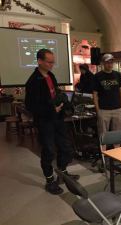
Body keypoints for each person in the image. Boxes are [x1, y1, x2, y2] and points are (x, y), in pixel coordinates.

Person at [25, 48, 79, 195]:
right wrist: (51, 110)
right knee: (48, 151)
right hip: (45, 121)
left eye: (53, 62)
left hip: (58, 119)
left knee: (65, 147)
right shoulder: (32, 82)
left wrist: (64, 104)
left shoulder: (51, 76)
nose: (51, 65)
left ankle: (62, 173)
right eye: (49, 62)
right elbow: (30, 106)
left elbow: (55, 93)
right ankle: (50, 181)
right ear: (39, 61)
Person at [93, 53, 121, 151]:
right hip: (103, 110)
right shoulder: (97, 76)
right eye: (107, 62)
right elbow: (95, 94)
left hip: (117, 109)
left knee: (118, 136)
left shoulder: (118, 75)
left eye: (111, 62)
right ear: (103, 63)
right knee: (103, 135)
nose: (109, 64)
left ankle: (117, 156)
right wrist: (98, 110)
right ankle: (104, 157)